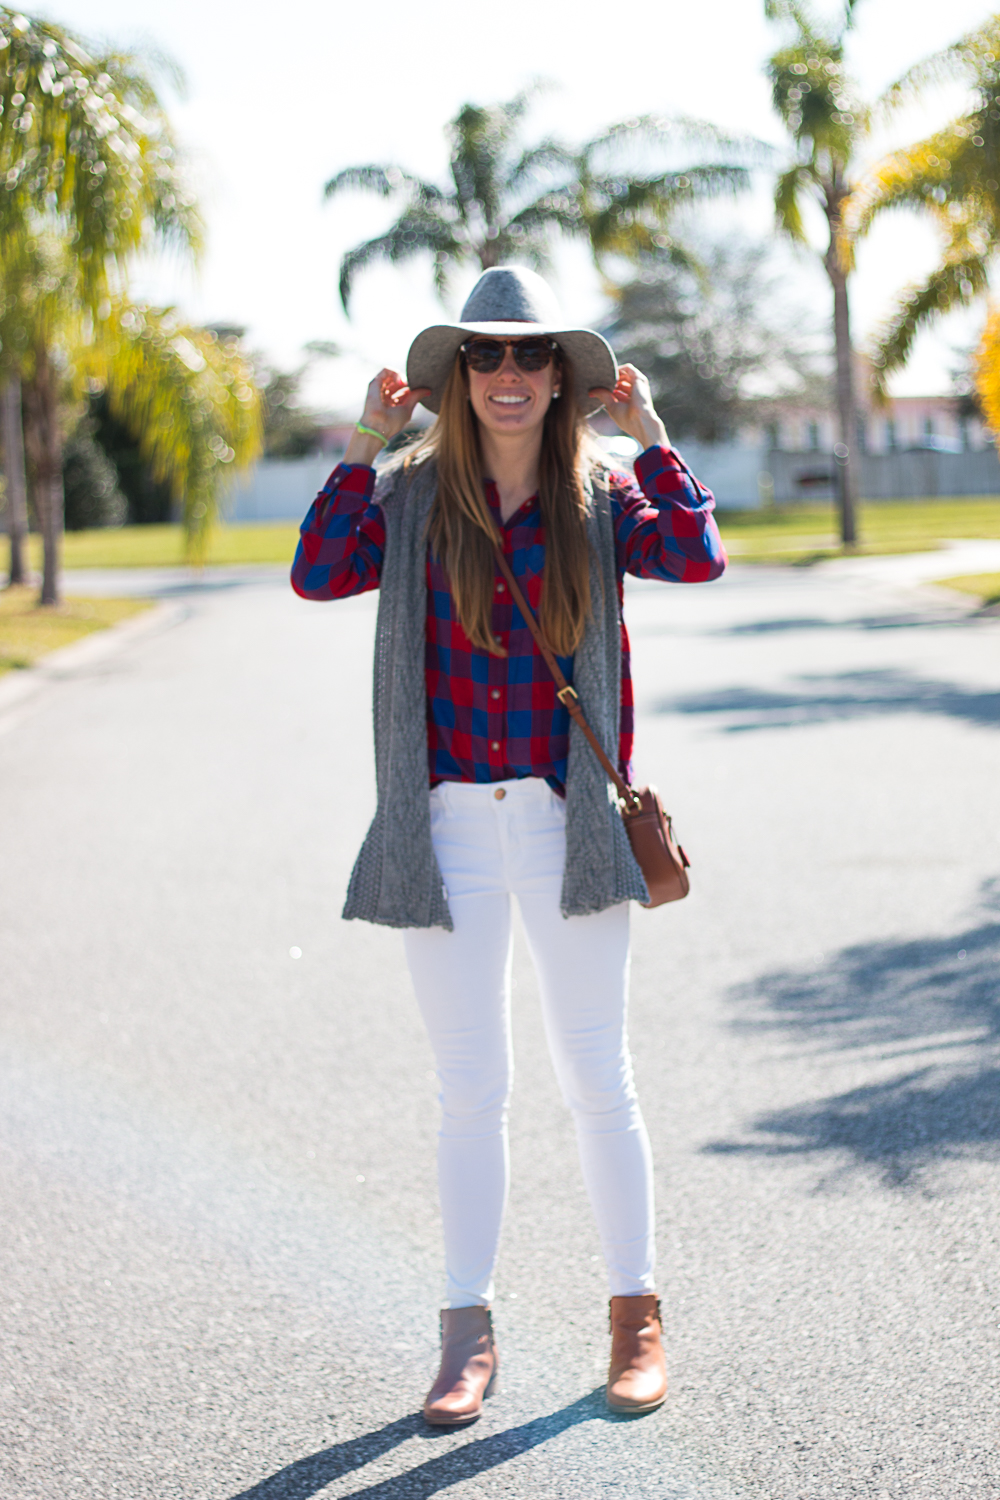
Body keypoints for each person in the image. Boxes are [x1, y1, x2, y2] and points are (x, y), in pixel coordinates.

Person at [291, 266, 726, 1425]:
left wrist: (655, 437)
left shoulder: (602, 500)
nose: (508, 375)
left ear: (565, 378)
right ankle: (464, 1334)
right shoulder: (408, 498)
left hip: (565, 822)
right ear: (454, 379)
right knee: (468, 1090)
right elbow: (316, 573)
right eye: (484, 357)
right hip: (443, 829)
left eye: (530, 356)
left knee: (598, 1078)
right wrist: (365, 443)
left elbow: (696, 556)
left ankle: (636, 1320)